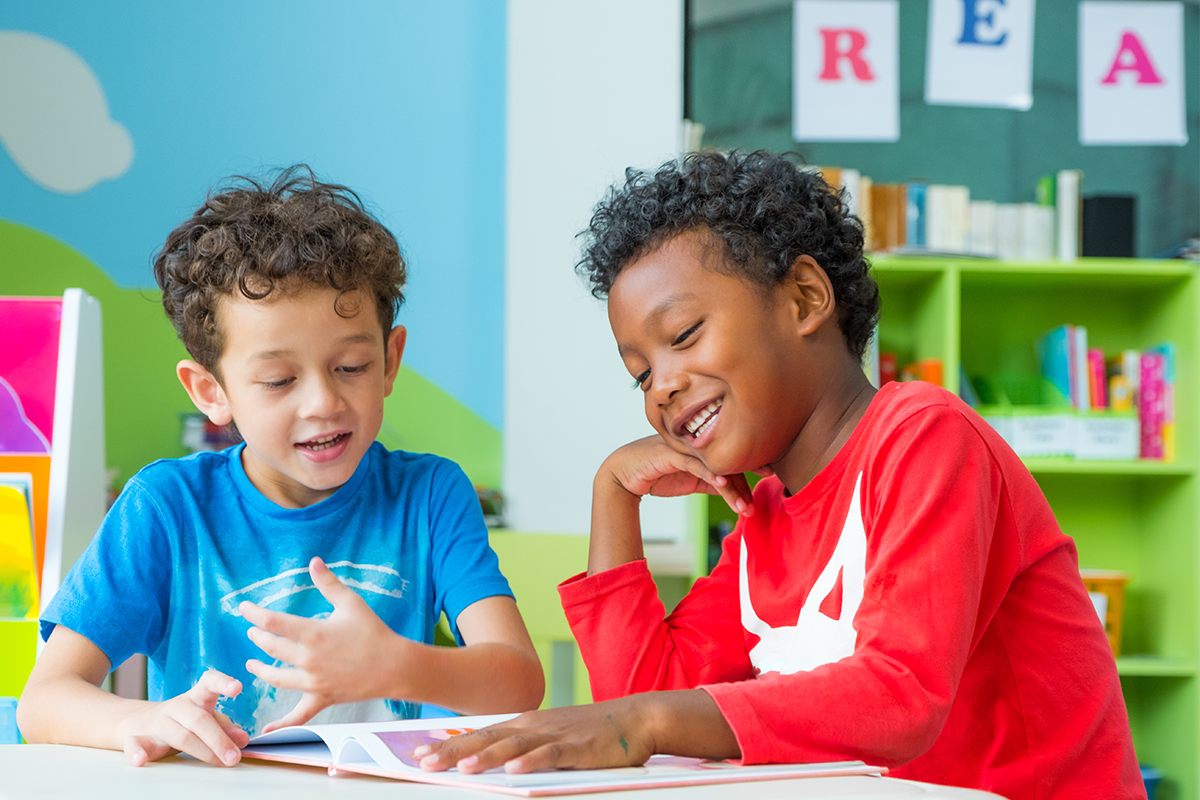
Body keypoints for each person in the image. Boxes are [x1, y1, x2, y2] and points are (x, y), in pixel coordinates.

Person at [414, 151, 1144, 798]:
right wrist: (614, 493)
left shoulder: (926, 436)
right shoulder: (765, 515)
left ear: (804, 298)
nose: (661, 386)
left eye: (683, 335)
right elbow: (644, 700)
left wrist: (644, 721)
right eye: (640, 374)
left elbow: (901, 696)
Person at [17, 166, 544, 768]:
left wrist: (396, 665)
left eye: (351, 367)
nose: (322, 402)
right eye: (278, 380)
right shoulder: (166, 507)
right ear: (212, 391)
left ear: (390, 359)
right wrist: (139, 719)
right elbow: (43, 701)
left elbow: (519, 683)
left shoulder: (429, 495)